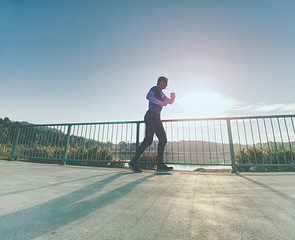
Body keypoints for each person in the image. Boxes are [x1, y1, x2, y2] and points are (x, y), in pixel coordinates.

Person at [129, 76, 176, 173]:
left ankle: (134, 162)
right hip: (151, 116)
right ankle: (159, 166)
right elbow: (149, 97)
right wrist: (161, 103)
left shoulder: (162, 94)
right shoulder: (154, 89)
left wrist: (173, 97)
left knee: (148, 141)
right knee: (162, 139)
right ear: (161, 82)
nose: (167, 85)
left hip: (155, 117)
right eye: (166, 82)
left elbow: (170, 102)